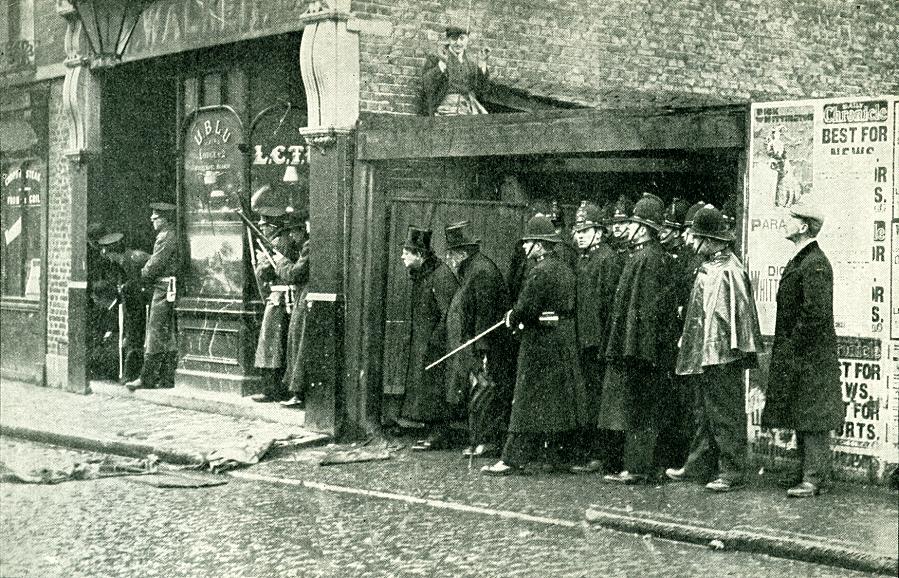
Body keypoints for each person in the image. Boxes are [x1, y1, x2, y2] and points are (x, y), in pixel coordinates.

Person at [664, 205, 763, 492]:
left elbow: (738, 315)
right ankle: (698, 465)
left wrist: (729, 348)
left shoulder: (730, 269)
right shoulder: (711, 267)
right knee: (704, 411)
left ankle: (731, 471)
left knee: (725, 413)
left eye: (697, 238)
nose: (692, 243)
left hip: (722, 355)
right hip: (707, 354)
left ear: (709, 240)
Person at [482, 215, 587, 475]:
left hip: (539, 343)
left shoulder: (540, 271)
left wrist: (511, 317)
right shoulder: (564, 268)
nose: (525, 248)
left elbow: (526, 308)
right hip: (561, 341)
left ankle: (511, 458)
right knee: (556, 402)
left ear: (539, 245)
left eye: (529, 243)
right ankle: (553, 457)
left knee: (526, 401)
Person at [761, 202, 842, 497]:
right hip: (801, 356)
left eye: (791, 219)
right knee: (801, 413)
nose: (785, 223)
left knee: (813, 417)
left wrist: (793, 345)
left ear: (804, 226)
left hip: (810, 357)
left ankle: (814, 478)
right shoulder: (803, 259)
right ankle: (803, 472)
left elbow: (815, 313)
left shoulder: (814, 263)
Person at [602, 193, 674, 484]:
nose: (627, 228)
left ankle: (636, 468)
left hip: (641, 353)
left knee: (639, 409)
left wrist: (633, 349)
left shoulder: (646, 259)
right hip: (642, 350)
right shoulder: (647, 257)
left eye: (632, 223)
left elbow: (643, 312)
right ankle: (638, 466)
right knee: (640, 408)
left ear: (643, 228)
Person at [443, 221, 513, 458]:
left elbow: (485, 316)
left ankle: (487, 441)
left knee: (486, 392)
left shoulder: (481, 272)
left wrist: (482, 352)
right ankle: (481, 440)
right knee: (481, 392)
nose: (449, 258)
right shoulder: (472, 269)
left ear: (461, 253)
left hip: (490, 346)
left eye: (451, 253)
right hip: (480, 344)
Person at [569, 202, 625, 474]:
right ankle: (594, 452)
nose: (580, 235)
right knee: (590, 399)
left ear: (600, 233)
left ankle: (603, 455)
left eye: (587, 229)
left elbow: (610, 307)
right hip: (585, 341)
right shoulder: (586, 258)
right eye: (578, 230)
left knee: (601, 400)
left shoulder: (607, 260)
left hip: (600, 344)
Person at [398, 226, 459, 450]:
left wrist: (435, 341)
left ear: (420, 255)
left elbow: (449, 312)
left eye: (407, 251)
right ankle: (431, 431)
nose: (403, 255)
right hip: (423, 343)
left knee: (436, 388)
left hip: (435, 345)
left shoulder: (440, 275)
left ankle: (438, 434)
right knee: (426, 388)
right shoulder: (423, 274)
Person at [653, 197, 695, 469]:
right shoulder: (678, 258)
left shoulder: (690, 260)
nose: (665, 234)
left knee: (685, 401)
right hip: (674, 336)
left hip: (685, 337)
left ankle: (681, 455)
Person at [126, 202, 180, 391]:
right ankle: (165, 378)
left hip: (163, 288)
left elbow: (155, 264)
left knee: (155, 332)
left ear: (165, 219)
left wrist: (140, 275)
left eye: (156, 217)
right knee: (166, 333)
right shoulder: (169, 234)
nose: (152, 219)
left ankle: (146, 378)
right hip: (166, 287)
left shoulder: (165, 236)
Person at [250, 208, 294, 403]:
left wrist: (260, 261)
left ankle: (272, 390)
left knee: (271, 344)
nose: (261, 226)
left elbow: (264, 272)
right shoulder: (281, 241)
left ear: (272, 226)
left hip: (278, 298)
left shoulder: (278, 243)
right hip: (280, 297)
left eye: (264, 224)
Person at [97, 232, 150, 383]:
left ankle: (132, 374)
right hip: (131, 304)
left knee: (136, 338)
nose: (104, 255)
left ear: (111, 251)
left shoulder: (134, 259)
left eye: (105, 251)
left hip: (141, 304)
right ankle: (130, 373)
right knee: (131, 337)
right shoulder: (119, 264)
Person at [275, 211, 311, 408]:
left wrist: (280, 261)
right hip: (303, 297)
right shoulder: (304, 246)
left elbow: (294, 274)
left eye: (294, 232)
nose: (291, 237)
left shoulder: (309, 246)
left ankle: (298, 392)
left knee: (298, 343)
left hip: (305, 298)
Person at [419, 25, 490, 116]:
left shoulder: (471, 61)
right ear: (448, 39)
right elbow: (427, 84)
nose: (458, 43)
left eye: (462, 38)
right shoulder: (436, 57)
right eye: (454, 38)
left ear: (467, 39)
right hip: (444, 107)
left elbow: (482, 90)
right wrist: (442, 63)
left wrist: (482, 63)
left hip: (467, 107)